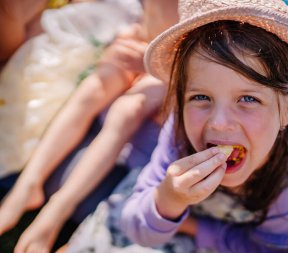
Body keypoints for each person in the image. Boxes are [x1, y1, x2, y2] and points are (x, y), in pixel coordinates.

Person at [97, 0, 288, 252]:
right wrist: (169, 198)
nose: (219, 123)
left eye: (248, 99)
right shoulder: (179, 130)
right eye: (201, 97)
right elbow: (134, 226)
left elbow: (269, 249)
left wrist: (195, 227)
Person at [0, 0, 179, 252]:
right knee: (97, 84)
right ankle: (27, 186)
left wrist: (159, 65)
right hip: (146, 49)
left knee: (128, 108)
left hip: (174, 70)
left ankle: (55, 212)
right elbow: (146, 21)